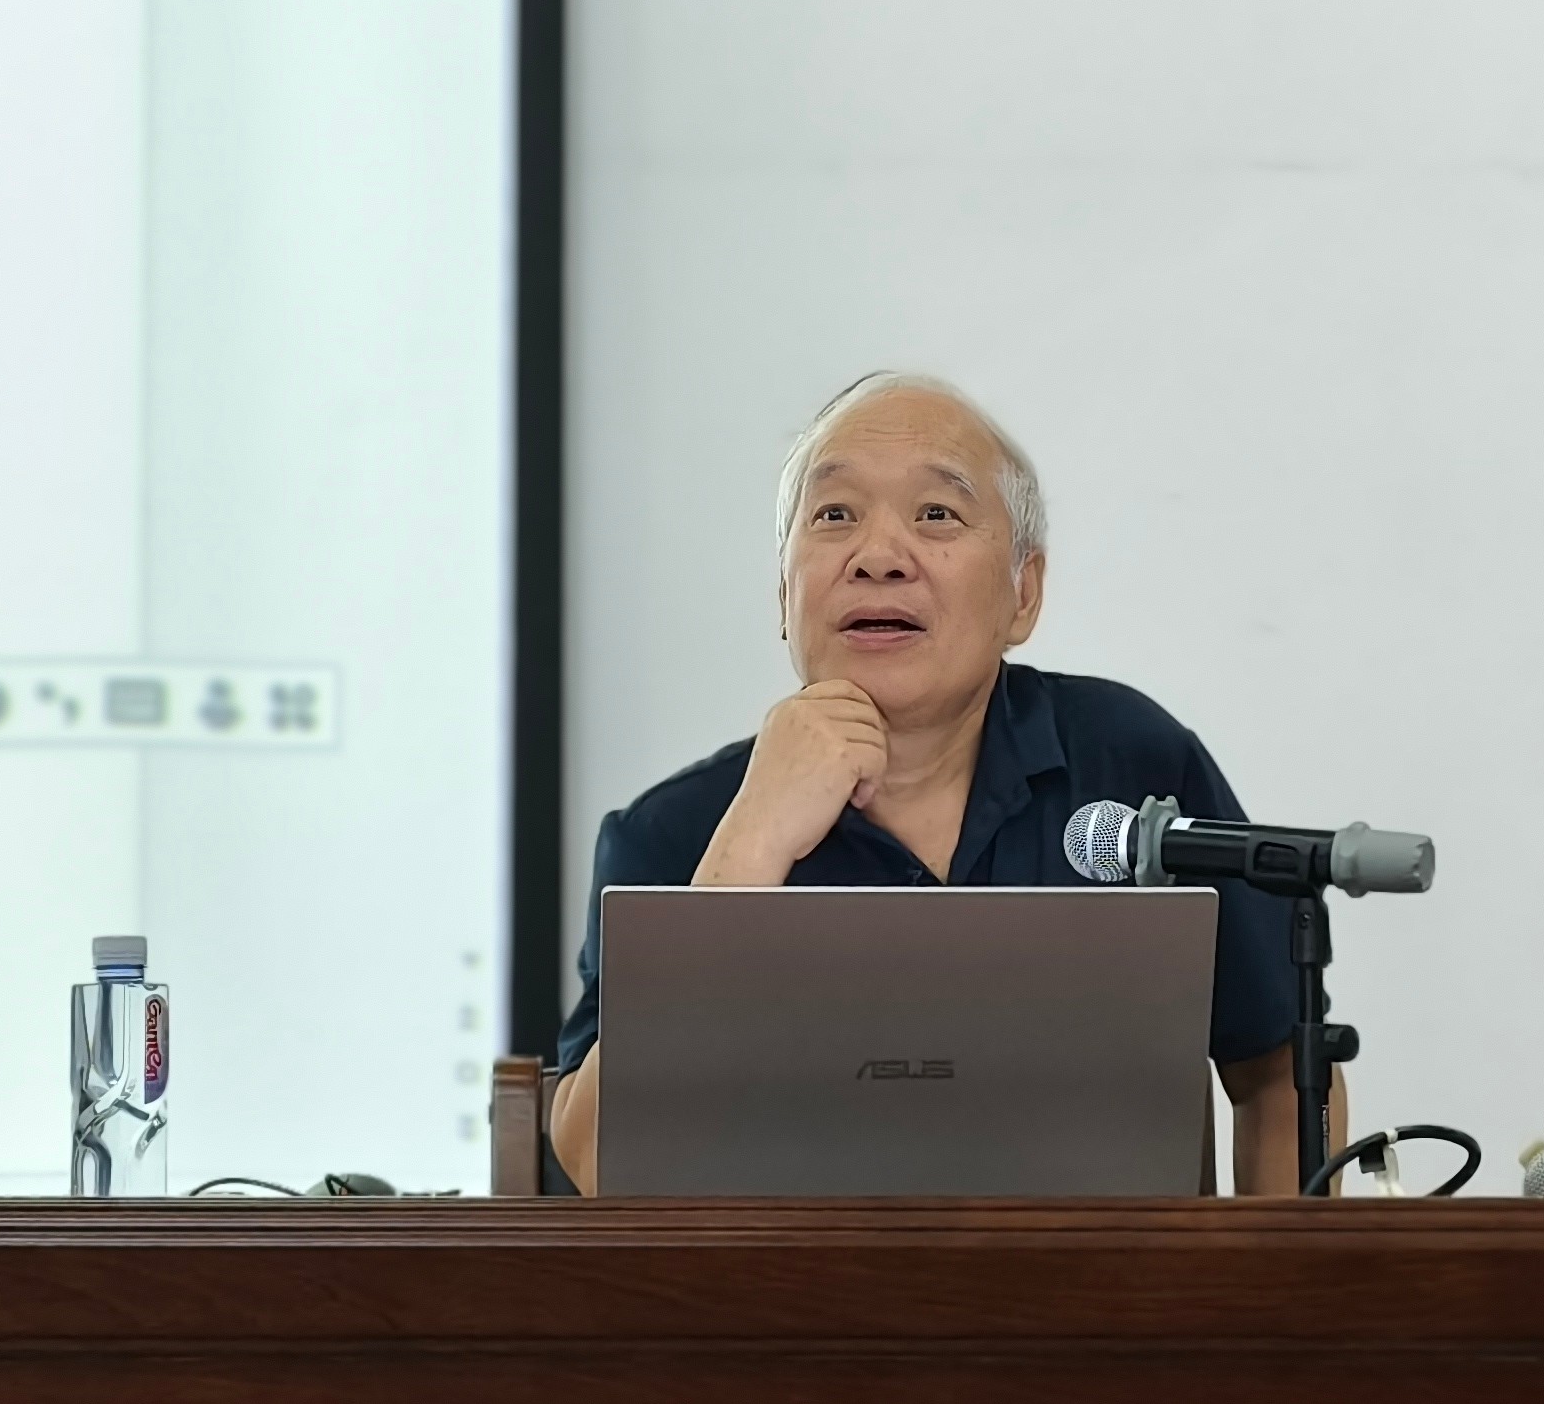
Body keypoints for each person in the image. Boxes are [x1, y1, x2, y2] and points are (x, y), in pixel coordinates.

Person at [547, 371, 1339, 1193]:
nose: (879, 558)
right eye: (834, 516)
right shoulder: (674, 833)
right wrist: (748, 852)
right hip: (786, 1278)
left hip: (1097, 1275)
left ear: (1023, 592)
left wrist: (1270, 1276)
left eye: (936, 514)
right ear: (784, 593)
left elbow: (1278, 1072)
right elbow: (592, 1162)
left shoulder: (1132, 767)